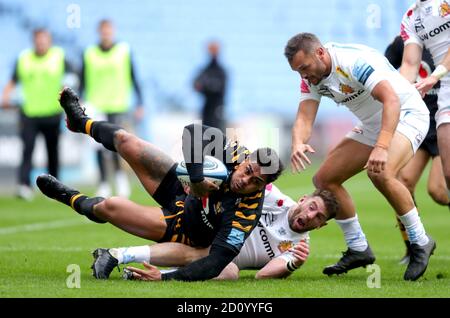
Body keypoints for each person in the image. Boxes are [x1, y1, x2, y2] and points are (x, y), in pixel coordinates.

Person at [36, 87, 284, 282]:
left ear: (263, 187)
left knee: (108, 207)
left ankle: (68, 197)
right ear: (246, 160)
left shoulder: (248, 211)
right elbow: (193, 132)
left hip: (182, 228)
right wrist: (196, 180)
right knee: (125, 140)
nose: (246, 180)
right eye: (248, 171)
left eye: (256, 182)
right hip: (180, 187)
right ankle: (81, 123)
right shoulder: (236, 153)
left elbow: (216, 261)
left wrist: (164, 277)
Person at [285, 32, 435, 281]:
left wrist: (382, 146)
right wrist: (298, 142)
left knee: (381, 171)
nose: (303, 75)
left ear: (320, 53)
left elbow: (392, 100)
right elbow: (304, 116)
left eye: (305, 68)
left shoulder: (353, 61)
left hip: (407, 113)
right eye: (298, 71)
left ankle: (420, 242)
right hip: (373, 122)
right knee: (324, 180)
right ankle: (358, 248)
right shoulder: (311, 77)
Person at [89, 183, 339, 281]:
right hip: (206, 228)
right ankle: (117, 251)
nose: (309, 216)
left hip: (220, 256)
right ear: (305, 199)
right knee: (119, 204)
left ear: (321, 226)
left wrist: (293, 265)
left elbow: (261, 276)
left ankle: (127, 263)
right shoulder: (275, 198)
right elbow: (241, 184)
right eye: (312, 208)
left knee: (228, 272)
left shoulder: (299, 248)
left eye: (318, 218)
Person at [385, 35, 448, 265]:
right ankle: (414, 245)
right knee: (402, 181)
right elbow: (384, 75)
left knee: (438, 190)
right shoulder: (401, 45)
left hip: (444, 119)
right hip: (418, 123)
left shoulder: (443, 41)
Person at [1, 28, 72, 201]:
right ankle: (24, 185)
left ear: (49, 41)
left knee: (52, 151)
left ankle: (54, 186)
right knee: (27, 150)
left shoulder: (59, 56)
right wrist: (6, 95)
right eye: (38, 40)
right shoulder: (24, 58)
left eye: (44, 40)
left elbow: (72, 78)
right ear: (34, 41)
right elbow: (13, 79)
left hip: (52, 112)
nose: (41, 43)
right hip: (30, 112)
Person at [80, 19, 145, 198]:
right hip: (95, 104)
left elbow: (133, 76)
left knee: (117, 143)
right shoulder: (89, 53)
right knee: (98, 146)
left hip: (118, 104)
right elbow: (82, 80)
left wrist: (140, 102)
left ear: (113, 32)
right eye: (103, 31)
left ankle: (120, 179)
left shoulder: (123, 50)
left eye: (108, 31)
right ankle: (103, 183)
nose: (106, 34)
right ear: (99, 32)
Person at [399, 0, 450, 208]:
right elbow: (410, 65)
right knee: (448, 174)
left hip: (441, 77)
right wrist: (393, 99)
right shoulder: (411, 17)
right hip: (445, 89)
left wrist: (435, 75)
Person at [193, 41, 227, 132]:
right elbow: (195, 84)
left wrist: (205, 86)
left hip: (217, 109)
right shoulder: (205, 70)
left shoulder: (221, 71)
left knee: (218, 136)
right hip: (206, 109)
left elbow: (218, 88)